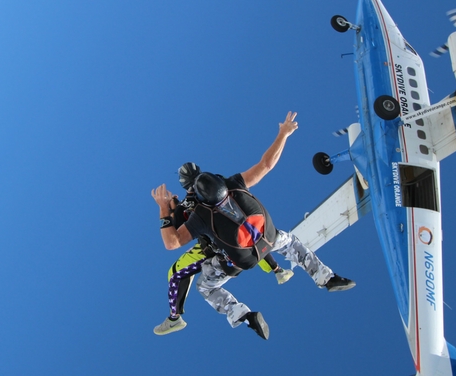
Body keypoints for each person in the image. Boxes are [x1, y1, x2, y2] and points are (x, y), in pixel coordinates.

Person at [151, 112, 355, 339]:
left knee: (203, 286)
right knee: (291, 243)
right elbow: (266, 164)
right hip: (269, 238)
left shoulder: (198, 214)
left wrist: (164, 209)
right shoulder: (233, 183)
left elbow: (173, 242)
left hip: (236, 258)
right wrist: (284, 134)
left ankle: (241, 315)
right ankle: (325, 277)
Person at [153, 162, 294, 336]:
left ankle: (174, 318)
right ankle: (277, 269)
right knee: (252, 238)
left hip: (211, 247)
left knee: (175, 273)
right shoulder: (218, 183)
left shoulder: (187, 204)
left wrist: (167, 209)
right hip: (235, 238)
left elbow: (175, 233)